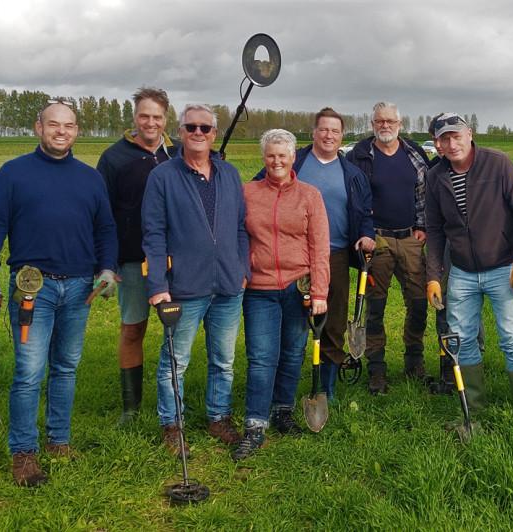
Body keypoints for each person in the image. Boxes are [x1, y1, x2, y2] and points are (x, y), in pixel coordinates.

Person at [0, 99, 118, 486]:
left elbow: (105, 229)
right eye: (53, 124)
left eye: (68, 126)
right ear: (38, 127)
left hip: (78, 289)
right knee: (29, 372)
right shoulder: (13, 173)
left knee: (66, 367)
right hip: (32, 289)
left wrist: (106, 269)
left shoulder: (90, 178)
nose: (61, 131)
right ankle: (23, 452)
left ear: (77, 131)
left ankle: (59, 440)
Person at [141, 104, 249, 456]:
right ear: (180, 132)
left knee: (223, 359)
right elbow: (154, 234)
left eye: (205, 128)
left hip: (228, 286)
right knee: (175, 361)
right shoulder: (163, 177)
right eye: (192, 128)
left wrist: (242, 268)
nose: (198, 133)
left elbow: (239, 228)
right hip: (185, 286)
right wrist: (158, 285)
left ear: (214, 134)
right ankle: (172, 424)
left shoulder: (229, 175)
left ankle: (219, 417)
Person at [424, 113, 513, 419]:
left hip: (503, 267)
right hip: (461, 271)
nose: (452, 143)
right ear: (438, 144)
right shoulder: (435, 177)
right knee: (462, 339)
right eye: (444, 138)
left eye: (456, 135)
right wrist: (434, 276)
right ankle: (472, 411)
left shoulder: (497, 164)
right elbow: (433, 230)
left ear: (469, 134)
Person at [256, 108, 374, 399]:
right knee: (293, 322)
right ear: (314, 132)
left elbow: (365, 211)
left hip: (334, 254)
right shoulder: (296, 161)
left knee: (332, 321)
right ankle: (282, 384)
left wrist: (366, 234)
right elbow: (258, 190)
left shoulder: (352, 174)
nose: (328, 135)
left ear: (341, 136)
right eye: (323, 129)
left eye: (335, 131)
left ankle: (326, 386)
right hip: (293, 256)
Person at [237, 129, 330, 460]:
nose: (276, 161)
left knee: (293, 353)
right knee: (262, 357)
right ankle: (255, 424)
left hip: (297, 286)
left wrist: (320, 292)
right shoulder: (247, 193)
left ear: (293, 158)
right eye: (270, 155)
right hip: (259, 289)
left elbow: (320, 247)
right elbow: (236, 236)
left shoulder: (309, 195)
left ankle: (282, 411)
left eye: (283, 155)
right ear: (263, 158)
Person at [96, 87, 178, 425]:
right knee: (133, 329)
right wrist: (106, 262)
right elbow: (102, 215)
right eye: (144, 116)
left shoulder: (178, 154)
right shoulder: (114, 158)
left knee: (176, 332)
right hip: (131, 260)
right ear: (134, 117)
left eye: (157, 117)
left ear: (165, 119)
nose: (150, 122)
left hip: (174, 260)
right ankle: (130, 408)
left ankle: (174, 404)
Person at [345, 102, 433, 393]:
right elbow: (354, 201)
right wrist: (363, 232)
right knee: (376, 307)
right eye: (379, 121)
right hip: (376, 239)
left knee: (419, 302)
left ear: (400, 123)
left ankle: (414, 359)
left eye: (390, 121)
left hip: (410, 238)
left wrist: (422, 226)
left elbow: (423, 193)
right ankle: (377, 367)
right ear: (372, 124)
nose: (385, 125)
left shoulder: (414, 154)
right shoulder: (360, 156)